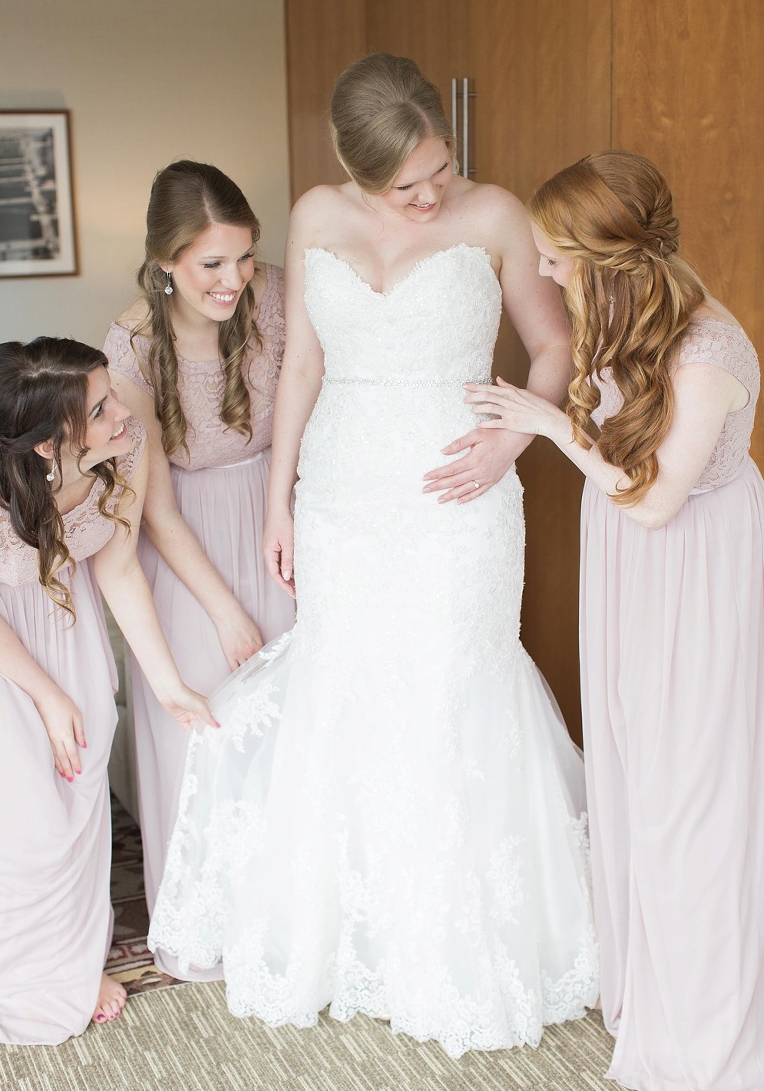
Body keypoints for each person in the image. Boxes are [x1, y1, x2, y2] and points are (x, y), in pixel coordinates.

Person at [149, 53, 598, 1057]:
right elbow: (303, 361)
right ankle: (353, 936)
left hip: (461, 489)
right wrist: (281, 501)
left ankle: (464, 941)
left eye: (439, 166)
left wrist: (516, 438)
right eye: (406, 185)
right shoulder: (314, 215)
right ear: (356, 174)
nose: (431, 193)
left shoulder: (493, 216)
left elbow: (553, 345)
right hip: (343, 493)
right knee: (348, 684)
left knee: (450, 685)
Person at [466, 150, 764, 1088]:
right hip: (630, 568)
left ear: (607, 255)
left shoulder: (708, 348)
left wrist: (551, 430)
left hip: (691, 574)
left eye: (557, 255)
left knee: (691, 797)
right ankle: (650, 985)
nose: (545, 271)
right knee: (633, 775)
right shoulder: (617, 320)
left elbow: (660, 500)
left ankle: (707, 1034)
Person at [104, 161, 294, 979]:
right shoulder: (135, 346)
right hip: (184, 540)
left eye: (244, 256)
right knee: (207, 728)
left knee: (290, 723)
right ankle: (214, 924)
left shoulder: (280, 298)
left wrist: (292, 514)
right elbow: (157, 508)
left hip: (277, 512)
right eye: (211, 263)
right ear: (166, 262)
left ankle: (293, 914)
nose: (234, 279)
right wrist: (220, 606)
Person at [0, 337, 216, 1046]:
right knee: (25, 830)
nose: (123, 410)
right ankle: (21, 978)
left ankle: (70, 963)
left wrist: (168, 684)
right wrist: (44, 694)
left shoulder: (128, 451)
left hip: (72, 635)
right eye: (100, 408)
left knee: (78, 813)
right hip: (7, 651)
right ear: (43, 446)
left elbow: (118, 568)